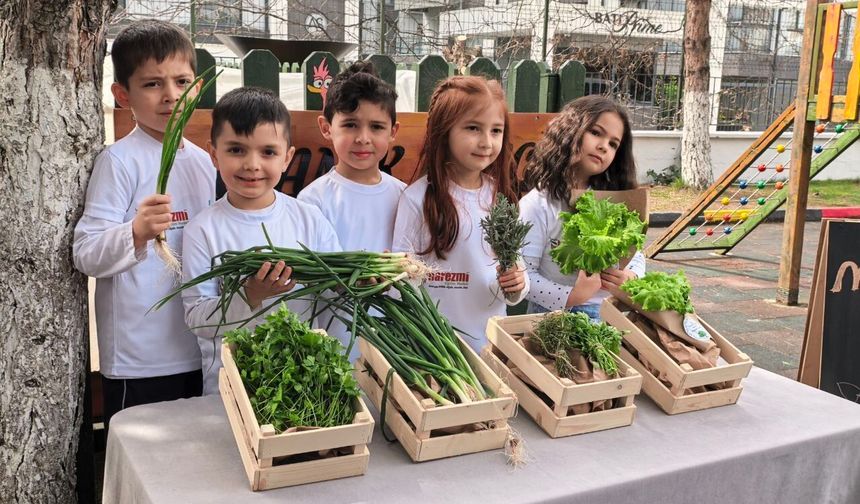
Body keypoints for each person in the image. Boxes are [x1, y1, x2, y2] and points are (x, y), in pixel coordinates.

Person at [73, 20, 214, 427]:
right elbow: (85, 253)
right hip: (139, 360)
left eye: (182, 81)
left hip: (198, 347)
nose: (171, 96)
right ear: (122, 95)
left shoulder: (205, 163)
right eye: (152, 84)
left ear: (197, 88)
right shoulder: (118, 161)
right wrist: (135, 232)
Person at [181, 87, 341, 395]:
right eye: (236, 150)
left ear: (287, 158)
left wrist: (357, 280)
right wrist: (249, 294)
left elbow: (336, 282)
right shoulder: (203, 229)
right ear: (214, 154)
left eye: (268, 152)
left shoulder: (308, 219)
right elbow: (198, 320)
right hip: (230, 388)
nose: (252, 164)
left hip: (300, 387)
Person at [392, 76, 529, 352]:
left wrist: (517, 285)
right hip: (436, 351)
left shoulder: (498, 197)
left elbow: (516, 271)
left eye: (496, 131)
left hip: (489, 346)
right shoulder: (417, 198)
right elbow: (401, 282)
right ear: (444, 131)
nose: (487, 142)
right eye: (473, 128)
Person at [298, 61, 404, 359]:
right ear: (326, 128)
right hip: (336, 347)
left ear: (393, 131)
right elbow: (309, 279)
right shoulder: (313, 201)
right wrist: (348, 282)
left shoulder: (403, 195)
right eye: (350, 124)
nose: (363, 138)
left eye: (376, 127)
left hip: (396, 345)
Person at [520, 95, 646, 321]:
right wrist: (572, 295)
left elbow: (636, 252)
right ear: (570, 131)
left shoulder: (614, 201)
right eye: (596, 133)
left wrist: (631, 275)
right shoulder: (538, 204)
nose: (603, 147)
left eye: (613, 144)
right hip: (553, 319)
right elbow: (524, 276)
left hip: (611, 315)